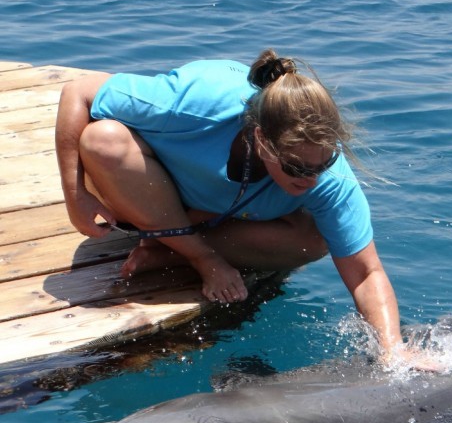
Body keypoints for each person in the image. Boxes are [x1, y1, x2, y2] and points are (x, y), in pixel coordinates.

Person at [55, 49, 424, 367]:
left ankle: (169, 250)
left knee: (313, 241)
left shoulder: (328, 176)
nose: (310, 178)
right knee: (103, 140)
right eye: (296, 167)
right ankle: (193, 253)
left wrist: (393, 352)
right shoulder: (194, 104)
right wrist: (76, 197)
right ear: (261, 140)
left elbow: (365, 273)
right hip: (145, 193)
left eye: (322, 165)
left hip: (219, 213)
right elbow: (79, 92)